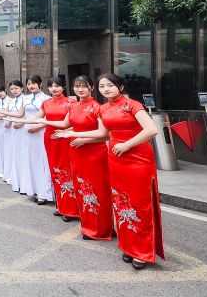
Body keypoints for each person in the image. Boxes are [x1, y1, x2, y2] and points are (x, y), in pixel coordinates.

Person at [54, 73, 164, 270]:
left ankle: (142, 252)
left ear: (120, 87)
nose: (105, 89)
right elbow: (102, 134)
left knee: (139, 204)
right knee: (122, 202)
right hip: (115, 157)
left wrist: (127, 145)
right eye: (102, 86)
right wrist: (72, 133)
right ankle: (129, 247)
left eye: (110, 85)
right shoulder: (103, 108)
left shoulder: (132, 105)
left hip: (138, 157)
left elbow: (151, 129)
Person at [61, 75, 113, 241]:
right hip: (77, 152)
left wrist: (84, 140)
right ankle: (89, 225)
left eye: (84, 86)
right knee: (82, 188)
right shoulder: (74, 106)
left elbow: (105, 135)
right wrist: (31, 121)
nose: (80, 89)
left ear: (91, 88)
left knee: (97, 190)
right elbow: (64, 125)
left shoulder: (98, 107)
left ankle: (101, 229)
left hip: (94, 154)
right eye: (77, 86)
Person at [27, 76, 79, 219]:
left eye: (57, 86)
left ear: (63, 87)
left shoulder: (71, 102)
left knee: (66, 170)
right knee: (55, 170)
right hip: (50, 138)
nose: (54, 89)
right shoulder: (46, 103)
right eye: (51, 86)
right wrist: (17, 119)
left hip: (65, 138)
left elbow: (72, 122)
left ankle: (72, 209)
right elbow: (36, 118)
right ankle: (61, 205)